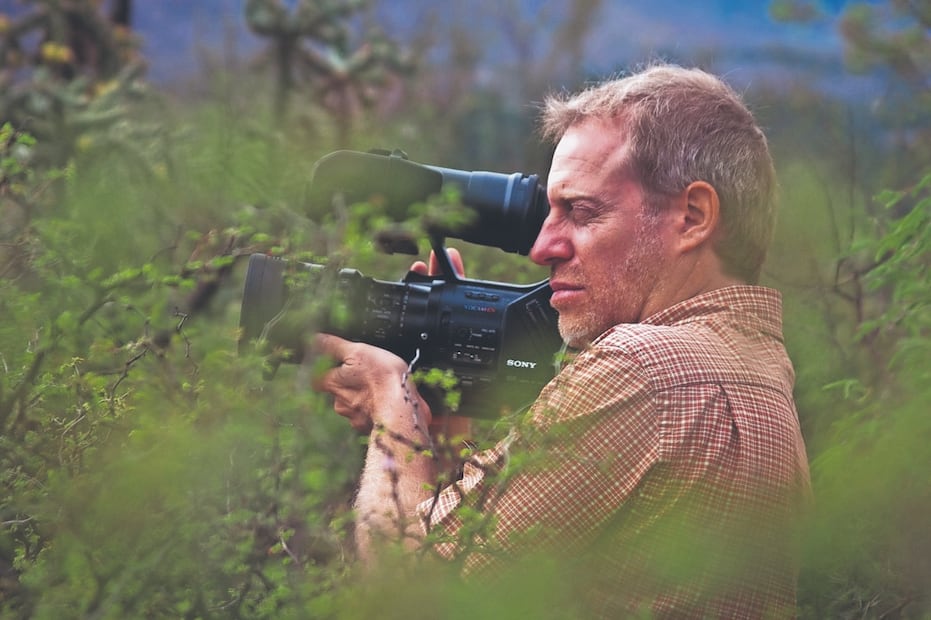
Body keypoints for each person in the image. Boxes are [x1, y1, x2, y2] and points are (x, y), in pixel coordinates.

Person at [312, 63, 812, 618]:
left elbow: (413, 596)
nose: (542, 247)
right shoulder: (761, 370)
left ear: (692, 217)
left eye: (581, 212)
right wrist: (436, 420)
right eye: (548, 213)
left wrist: (389, 398)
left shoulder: (642, 371)